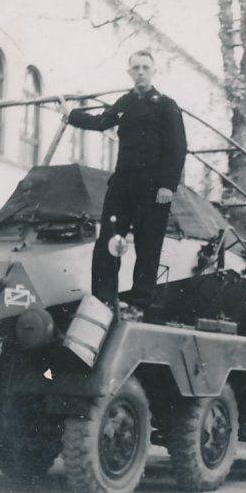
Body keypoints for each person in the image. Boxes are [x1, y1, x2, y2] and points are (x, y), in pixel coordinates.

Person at [58, 50, 187, 313]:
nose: (140, 72)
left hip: (154, 190)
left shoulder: (167, 106)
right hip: (123, 186)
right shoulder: (125, 103)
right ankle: (104, 299)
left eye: (145, 67)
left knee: (147, 246)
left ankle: (139, 303)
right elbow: (101, 122)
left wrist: (167, 185)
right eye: (136, 68)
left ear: (153, 71)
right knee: (108, 241)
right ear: (130, 73)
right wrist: (71, 116)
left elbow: (177, 147)